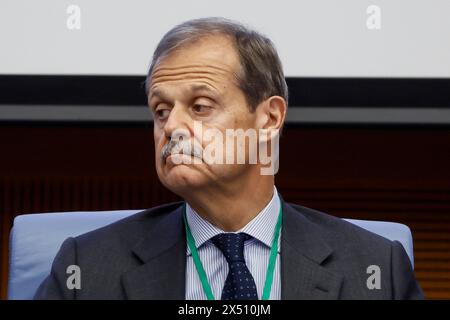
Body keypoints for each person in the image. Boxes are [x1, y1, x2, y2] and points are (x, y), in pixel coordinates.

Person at [35, 17, 423, 300]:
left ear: (269, 118)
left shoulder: (376, 269)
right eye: (161, 110)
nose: (172, 127)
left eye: (200, 107)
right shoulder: (85, 268)